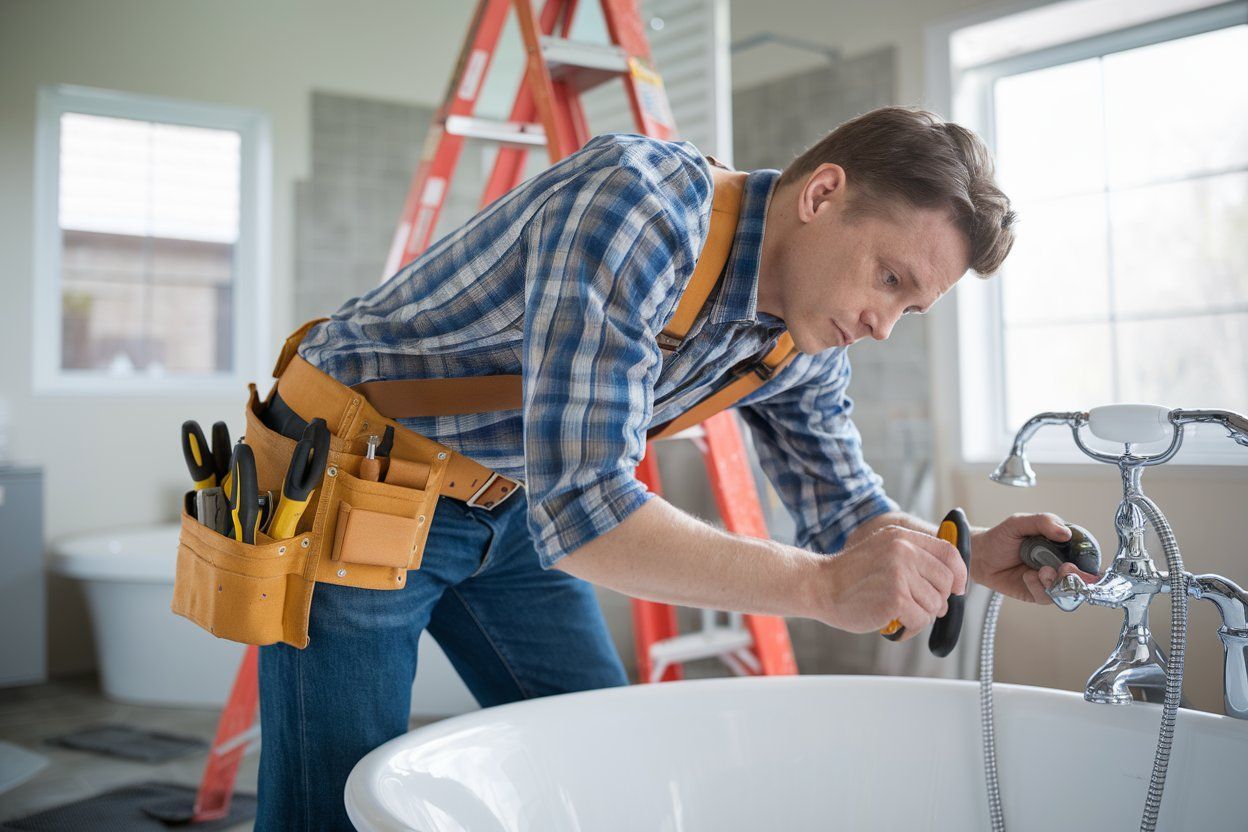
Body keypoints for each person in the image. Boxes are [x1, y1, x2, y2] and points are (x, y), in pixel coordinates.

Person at [254, 106, 1100, 830]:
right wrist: (820, 588)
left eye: (909, 307)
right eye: (888, 277)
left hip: (508, 497)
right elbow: (586, 511)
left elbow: (845, 510)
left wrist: (966, 554)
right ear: (822, 195)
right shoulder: (639, 206)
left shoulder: (805, 337)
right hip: (353, 474)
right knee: (338, 804)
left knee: (595, 767)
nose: (883, 324)